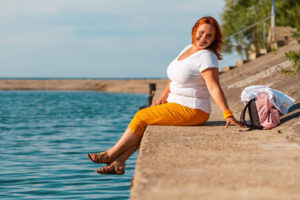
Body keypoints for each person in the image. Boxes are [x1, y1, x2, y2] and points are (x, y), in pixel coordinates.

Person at [87, 16, 243, 175]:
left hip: (193, 109)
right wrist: (163, 97)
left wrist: (227, 113)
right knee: (146, 123)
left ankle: (111, 154)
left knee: (141, 116)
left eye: (209, 35)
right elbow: (174, 78)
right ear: (194, 30)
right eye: (201, 33)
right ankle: (119, 163)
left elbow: (214, 87)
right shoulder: (187, 49)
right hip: (175, 104)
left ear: (214, 39)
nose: (203, 38)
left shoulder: (206, 57)